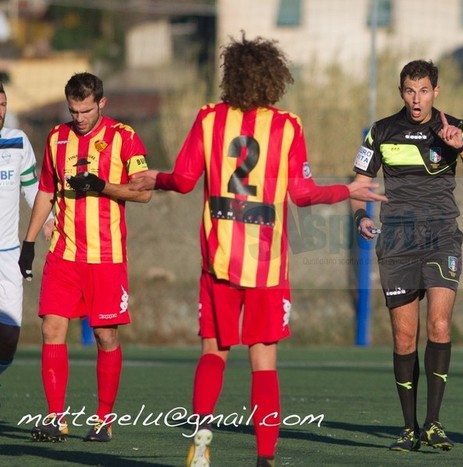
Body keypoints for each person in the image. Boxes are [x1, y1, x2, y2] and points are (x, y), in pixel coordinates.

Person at [129, 33, 386, 467]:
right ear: (273, 78)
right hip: (267, 268)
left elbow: (186, 180)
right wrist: (348, 189)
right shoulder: (287, 127)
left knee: (213, 352)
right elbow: (302, 195)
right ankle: (265, 457)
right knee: (263, 362)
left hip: (218, 259)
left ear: (230, 75)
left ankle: (203, 436)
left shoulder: (209, 119)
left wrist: (158, 177)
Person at [350, 59, 463, 452]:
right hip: (397, 242)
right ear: (402, 92)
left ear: (436, 91)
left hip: (442, 238)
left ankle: (433, 423)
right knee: (403, 336)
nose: (417, 100)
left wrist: (460, 147)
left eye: (424, 91)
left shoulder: (455, 128)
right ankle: (409, 427)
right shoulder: (380, 131)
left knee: (440, 327)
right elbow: (359, 186)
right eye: (410, 91)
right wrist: (362, 215)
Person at [19, 72, 152, 442]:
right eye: (73, 110)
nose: (79, 117)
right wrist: (29, 244)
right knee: (51, 329)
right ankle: (55, 418)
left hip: (106, 257)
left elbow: (144, 193)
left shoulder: (123, 137)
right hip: (64, 254)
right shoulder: (57, 138)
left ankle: (103, 420)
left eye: (86, 110)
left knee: (105, 336)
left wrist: (102, 186)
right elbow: (46, 190)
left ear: (101, 104)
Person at [0, 82, 52, 378]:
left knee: (8, 341)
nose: (0, 111)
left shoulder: (17, 141)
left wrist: (48, 218)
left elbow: (33, 189)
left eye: (3, 104)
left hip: (8, 257)